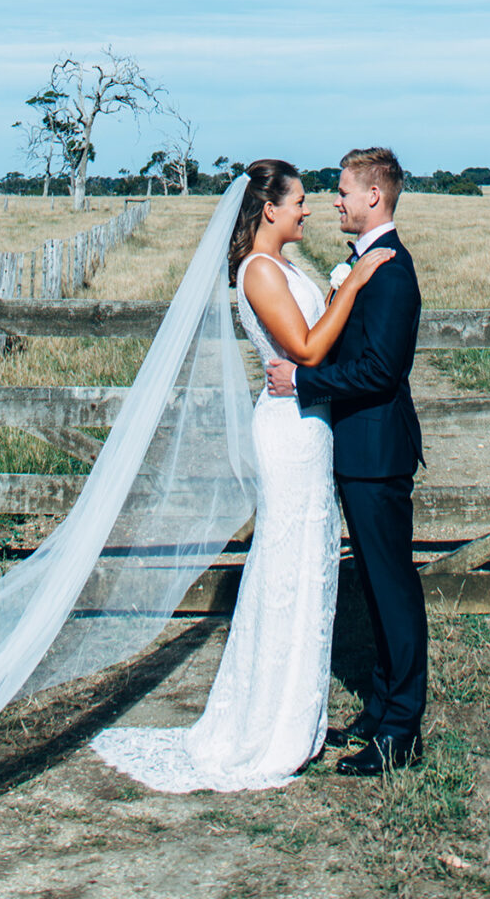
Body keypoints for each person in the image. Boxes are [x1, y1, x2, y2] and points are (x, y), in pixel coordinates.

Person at [91, 158, 393, 792]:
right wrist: (355, 285)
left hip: (309, 425)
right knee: (287, 563)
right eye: (301, 200)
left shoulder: (283, 266)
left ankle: (292, 713)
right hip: (288, 431)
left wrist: (341, 292)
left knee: (305, 562)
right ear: (271, 210)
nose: (310, 209)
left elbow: (314, 345)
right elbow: (307, 350)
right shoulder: (259, 272)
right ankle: (266, 724)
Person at [266, 145, 427, 774]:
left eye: (342, 191)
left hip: (377, 454)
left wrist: (305, 386)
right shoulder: (366, 264)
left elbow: (383, 370)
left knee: (393, 588)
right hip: (356, 452)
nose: (335, 200)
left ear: (373, 197)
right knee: (379, 583)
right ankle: (383, 707)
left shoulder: (391, 272)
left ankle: (402, 732)